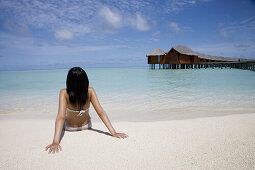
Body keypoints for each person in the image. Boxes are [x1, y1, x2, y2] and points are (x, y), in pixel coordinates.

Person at [45, 67, 128, 154]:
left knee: (64, 115)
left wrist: (55, 142)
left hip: (70, 128)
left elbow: (61, 117)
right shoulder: (90, 91)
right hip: (87, 126)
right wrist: (113, 132)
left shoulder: (64, 93)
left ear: (69, 81)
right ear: (85, 80)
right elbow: (101, 112)